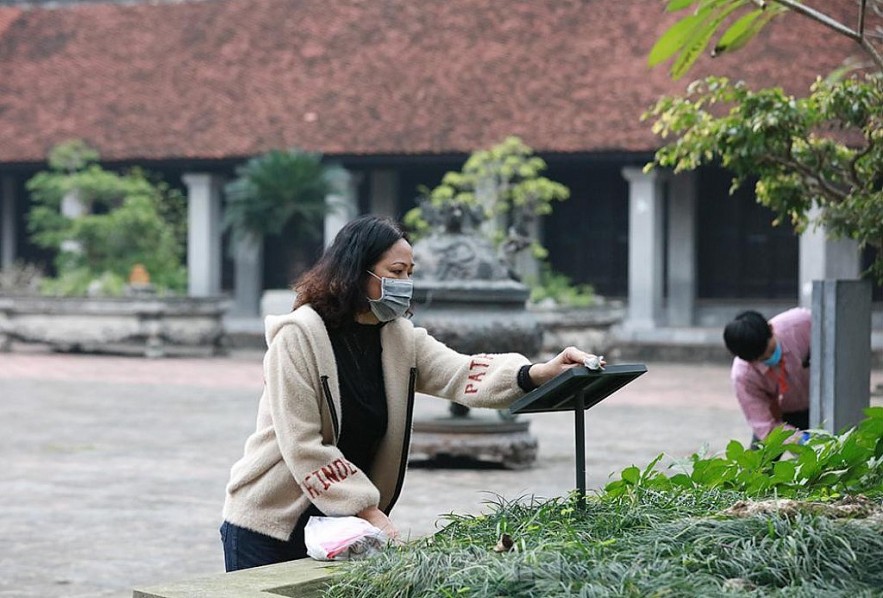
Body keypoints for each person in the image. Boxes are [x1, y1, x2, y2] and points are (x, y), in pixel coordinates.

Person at [219, 214, 603, 571]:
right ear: (356, 272)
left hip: (341, 526)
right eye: (396, 272)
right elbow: (304, 444)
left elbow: (460, 371)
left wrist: (537, 373)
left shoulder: (399, 337)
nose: (405, 283)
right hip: (271, 524)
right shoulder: (298, 337)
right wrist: (367, 510)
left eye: (410, 273)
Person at [723, 307, 812, 446]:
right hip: (780, 416)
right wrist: (801, 440)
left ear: (771, 329)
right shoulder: (743, 376)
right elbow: (766, 427)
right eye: (761, 359)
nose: (770, 359)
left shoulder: (803, 323)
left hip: (822, 406)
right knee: (758, 464)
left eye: (771, 351)